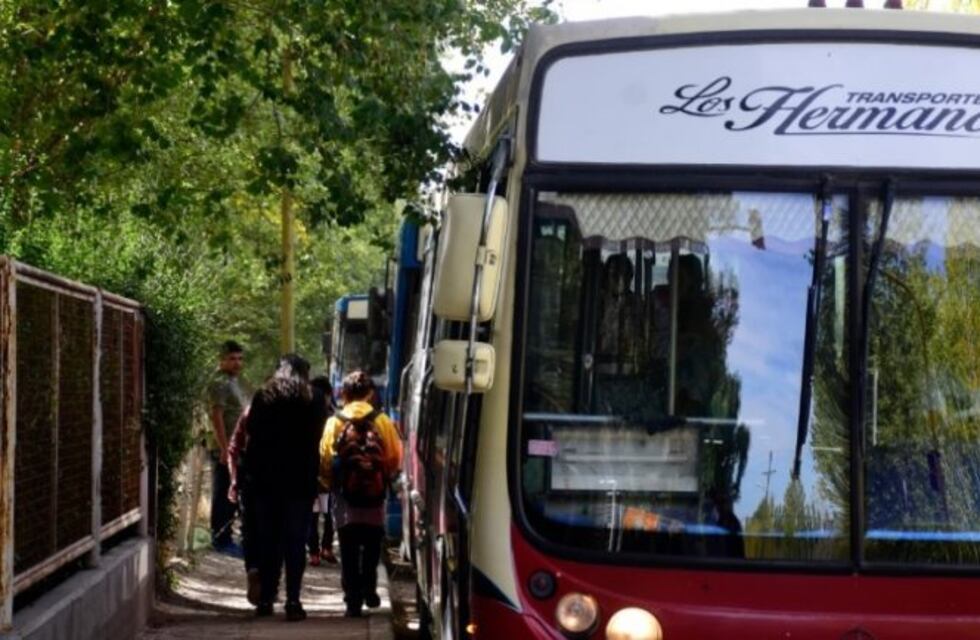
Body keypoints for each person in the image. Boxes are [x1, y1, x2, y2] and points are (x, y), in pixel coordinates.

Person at [246, 354, 327, 621]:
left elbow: (252, 434)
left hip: (266, 481)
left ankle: (266, 599)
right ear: (305, 373)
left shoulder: (263, 396)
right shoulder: (314, 398)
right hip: (300, 481)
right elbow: (318, 435)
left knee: (269, 540)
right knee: (295, 541)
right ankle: (293, 600)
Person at [320, 370, 402, 617]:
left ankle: (352, 600)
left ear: (344, 393)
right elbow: (394, 457)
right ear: (370, 394)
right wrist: (381, 476)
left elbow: (325, 458)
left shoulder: (334, 422)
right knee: (372, 544)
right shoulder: (383, 421)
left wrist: (329, 482)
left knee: (348, 548)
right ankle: (369, 587)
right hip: (374, 495)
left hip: (344, 497)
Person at [207, 340, 247, 555]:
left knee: (232, 493)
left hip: (235, 448)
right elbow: (216, 416)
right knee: (224, 493)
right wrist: (224, 449)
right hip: (225, 449)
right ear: (221, 360)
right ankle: (221, 540)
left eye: (240, 359)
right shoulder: (220, 383)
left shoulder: (233, 381)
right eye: (232, 359)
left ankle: (227, 537)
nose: (237, 363)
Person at [227, 405, 260, 604]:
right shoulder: (285, 412)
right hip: (276, 482)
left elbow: (233, 449)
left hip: (250, 478)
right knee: (273, 530)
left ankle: (253, 568)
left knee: (249, 529)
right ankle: (268, 580)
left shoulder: (249, 412)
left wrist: (233, 481)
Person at [307, 376, 337, 566]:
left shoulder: (306, 413)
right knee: (325, 512)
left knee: (318, 512)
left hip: (314, 471)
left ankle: (317, 551)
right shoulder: (334, 416)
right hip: (326, 472)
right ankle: (322, 549)